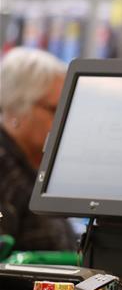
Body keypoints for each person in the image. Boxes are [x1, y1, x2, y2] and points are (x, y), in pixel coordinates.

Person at [0, 47, 76, 251]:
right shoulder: (5, 170)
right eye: (55, 110)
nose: (65, 120)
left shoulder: (34, 166)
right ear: (17, 106)